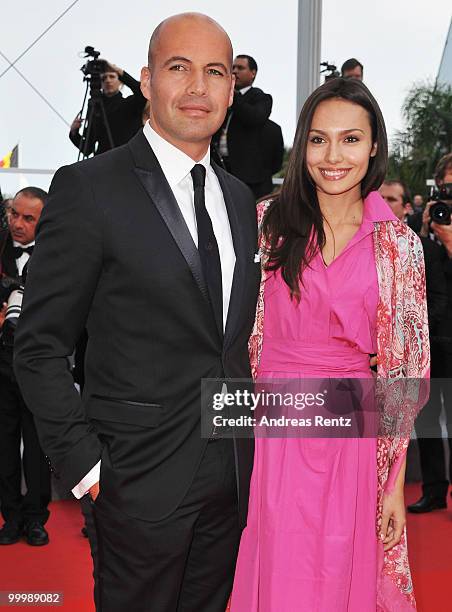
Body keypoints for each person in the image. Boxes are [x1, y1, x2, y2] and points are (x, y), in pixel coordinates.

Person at [14, 12, 260, 612]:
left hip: (229, 477)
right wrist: (87, 468)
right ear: (147, 81)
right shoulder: (89, 187)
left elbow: (227, 343)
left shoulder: (238, 196)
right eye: (179, 68)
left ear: (232, 88)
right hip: (133, 484)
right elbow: (39, 345)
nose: (198, 87)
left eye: (215, 72)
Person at [230, 78, 429, 611]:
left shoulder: (398, 244)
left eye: (350, 139)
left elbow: (407, 369)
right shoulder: (266, 225)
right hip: (272, 428)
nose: (333, 155)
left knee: (342, 568)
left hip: (352, 436)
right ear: (301, 146)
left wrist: (394, 483)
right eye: (318, 140)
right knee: (277, 568)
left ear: (373, 148)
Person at [0, 187, 51, 547]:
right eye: (13, 214)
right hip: (2, 360)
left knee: (37, 446)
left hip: (39, 362)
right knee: (3, 445)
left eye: (28, 218)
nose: (17, 224)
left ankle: (36, 517)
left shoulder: (56, 257)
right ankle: (11, 516)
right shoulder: (1, 247)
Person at [408, 152, 452, 513]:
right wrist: (427, 232)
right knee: (425, 421)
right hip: (427, 344)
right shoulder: (421, 228)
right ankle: (434, 490)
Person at [212, 55, 275, 198]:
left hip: (249, 178)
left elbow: (254, 117)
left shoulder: (261, 98)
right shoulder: (223, 97)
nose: (235, 71)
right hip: (221, 170)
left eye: (240, 68)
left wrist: (234, 96)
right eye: (232, 68)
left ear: (253, 73)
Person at [69, 60, 146, 156]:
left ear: (121, 82)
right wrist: (74, 133)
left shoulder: (129, 103)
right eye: (103, 78)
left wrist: (117, 70)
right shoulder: (96, 109)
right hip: (103, 165)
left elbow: (143, 92)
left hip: (127, 162)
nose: (108, 80)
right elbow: (88, 148)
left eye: (112, 76)